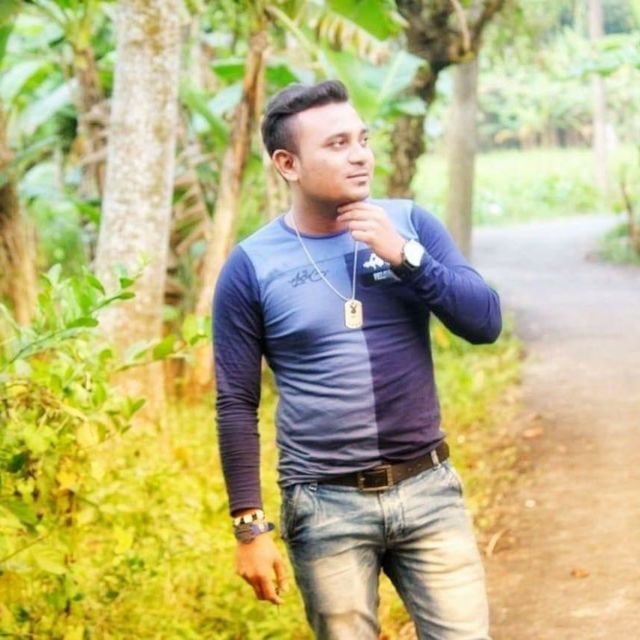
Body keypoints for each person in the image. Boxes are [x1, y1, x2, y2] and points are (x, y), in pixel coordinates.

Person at [213, 79, 501, 640]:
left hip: (428, 488)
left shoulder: (410, 225)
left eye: (362, 139)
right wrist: (250, 528)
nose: (360, 156)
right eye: (337, 144)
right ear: (288, 164)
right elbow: (235, 402)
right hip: (324, 505)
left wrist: (405, 257)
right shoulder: (251, 265)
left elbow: (484, 322)